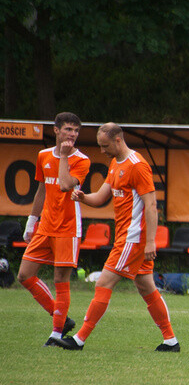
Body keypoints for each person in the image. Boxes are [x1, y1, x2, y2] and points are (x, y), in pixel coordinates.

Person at [55, 123, 178, 352]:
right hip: (127, 237)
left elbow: (151, 205)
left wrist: (151, 241)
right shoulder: (115, 164)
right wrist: (82, 197)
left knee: (103, 283)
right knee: (146, 287)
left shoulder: (137, 166)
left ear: (118, 140)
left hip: (133, 238)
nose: (102, 151)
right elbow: (102, 197)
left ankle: (79, 339)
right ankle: (170, 340)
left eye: (105, 145)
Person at [17, 112, 90, 347]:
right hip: (45, 226)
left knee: (61, 280)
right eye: (68, 129)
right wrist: (32, 220)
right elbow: (42, 190)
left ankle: (56, 333)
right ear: (56, 130)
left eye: (76, 131)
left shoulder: (81, 160)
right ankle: (60, 316)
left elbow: (65, 185)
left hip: (68, 229)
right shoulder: (43, 155)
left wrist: (66, 157)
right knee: (24, 275)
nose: (73, 135)